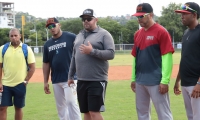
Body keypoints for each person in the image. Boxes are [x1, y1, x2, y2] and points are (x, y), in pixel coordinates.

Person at [68, 9, 115, 120]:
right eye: (84, 19)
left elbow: (111, 54)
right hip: (81, 79)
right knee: (86, 112)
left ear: (96, 20)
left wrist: (92, 51)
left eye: (89, 19)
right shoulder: (79, 35)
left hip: (97, 79)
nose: (86, 21)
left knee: (94, 112)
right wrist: (70, 76)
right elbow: (74, 57)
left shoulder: (104, 34)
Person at [130, 3, 174, 120]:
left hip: (156, 81)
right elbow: (135, 57)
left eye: (141, 16)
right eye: (137, 17)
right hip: (140, 81)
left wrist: (165, 81)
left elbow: (167, 57)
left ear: (150, 15)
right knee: (142, 114)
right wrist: (133, 78)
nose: (139, 19)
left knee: (164, 114)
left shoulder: (161, 31)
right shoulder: (138, 34)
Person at [43, 17, 82, 120]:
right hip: (56, 79)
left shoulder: (71, 37)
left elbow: (81, 52)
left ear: (59, 25)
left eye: (53, 25)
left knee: (71, 102)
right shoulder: (47, 44)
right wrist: (45, 81)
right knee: (61, 108)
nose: (52, 28)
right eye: (49, 27)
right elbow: (46, 63)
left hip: (70, 77)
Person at [0, 28, 35, 120]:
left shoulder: (26, 49)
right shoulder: (3, 48)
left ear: (20, 36)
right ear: (9, 37)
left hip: (20, 84)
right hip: (5, 85)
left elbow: (32, 67)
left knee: (18, 108)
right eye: (11, 36)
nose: (14, 38)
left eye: (15, 35)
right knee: (2, 108)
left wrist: (26, 80)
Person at [174, 2, 200, 120]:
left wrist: (199, 83)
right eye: (181, 14)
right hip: (186, 82)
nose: (182, 16)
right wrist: (178, 80)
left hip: (196, 84)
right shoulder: (186, 33)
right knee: (190, 116)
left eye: (185, 14)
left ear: (194, 15)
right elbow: (184, 58)